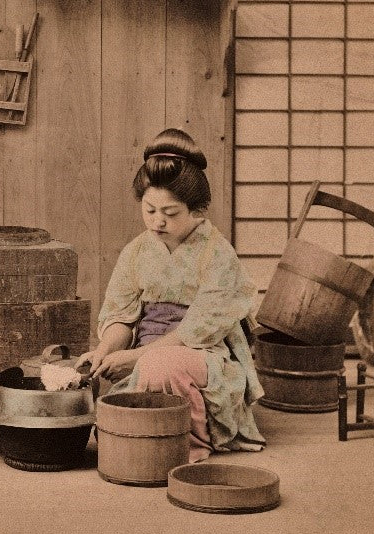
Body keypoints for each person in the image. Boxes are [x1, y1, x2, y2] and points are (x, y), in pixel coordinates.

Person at [79, 129, 266, 462]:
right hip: (147, 356)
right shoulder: (136, 252)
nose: (158, 221)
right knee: (134, 382)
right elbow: (122, 316)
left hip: (203, 356)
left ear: (195, 209)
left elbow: (193, 334)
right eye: (150, 210)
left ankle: (193, 443)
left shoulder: (217, 254)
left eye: (171, 212)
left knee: (160, 365)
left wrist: (135, 359)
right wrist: (105, 350)